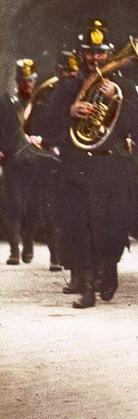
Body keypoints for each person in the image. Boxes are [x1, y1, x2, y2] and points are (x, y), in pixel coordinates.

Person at [33, 21, 138, 308]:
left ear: (109, 54)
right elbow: (45, 127)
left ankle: (109, 269)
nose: (95, 59)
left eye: (100, 53)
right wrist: (70, 111)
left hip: (113, 167)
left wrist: (118, 99)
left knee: (113, 227)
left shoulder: (124, 86)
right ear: (82, 54)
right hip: (78, 166)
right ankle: (84, 285)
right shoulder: (68, 86)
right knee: (77, 227)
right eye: (89, 53)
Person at [1, 59, 52, 266]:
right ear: (17, 81)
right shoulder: (6, 102)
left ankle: (29, 241)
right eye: (23, 80)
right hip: (13, 159)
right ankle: (14, 249)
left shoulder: (43, 103)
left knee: (34, 206)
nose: (27, 83)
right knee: (14, 205)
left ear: (35, 80)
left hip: (37, 162)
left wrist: (44, 142)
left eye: (30, 80)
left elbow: (49, 128)